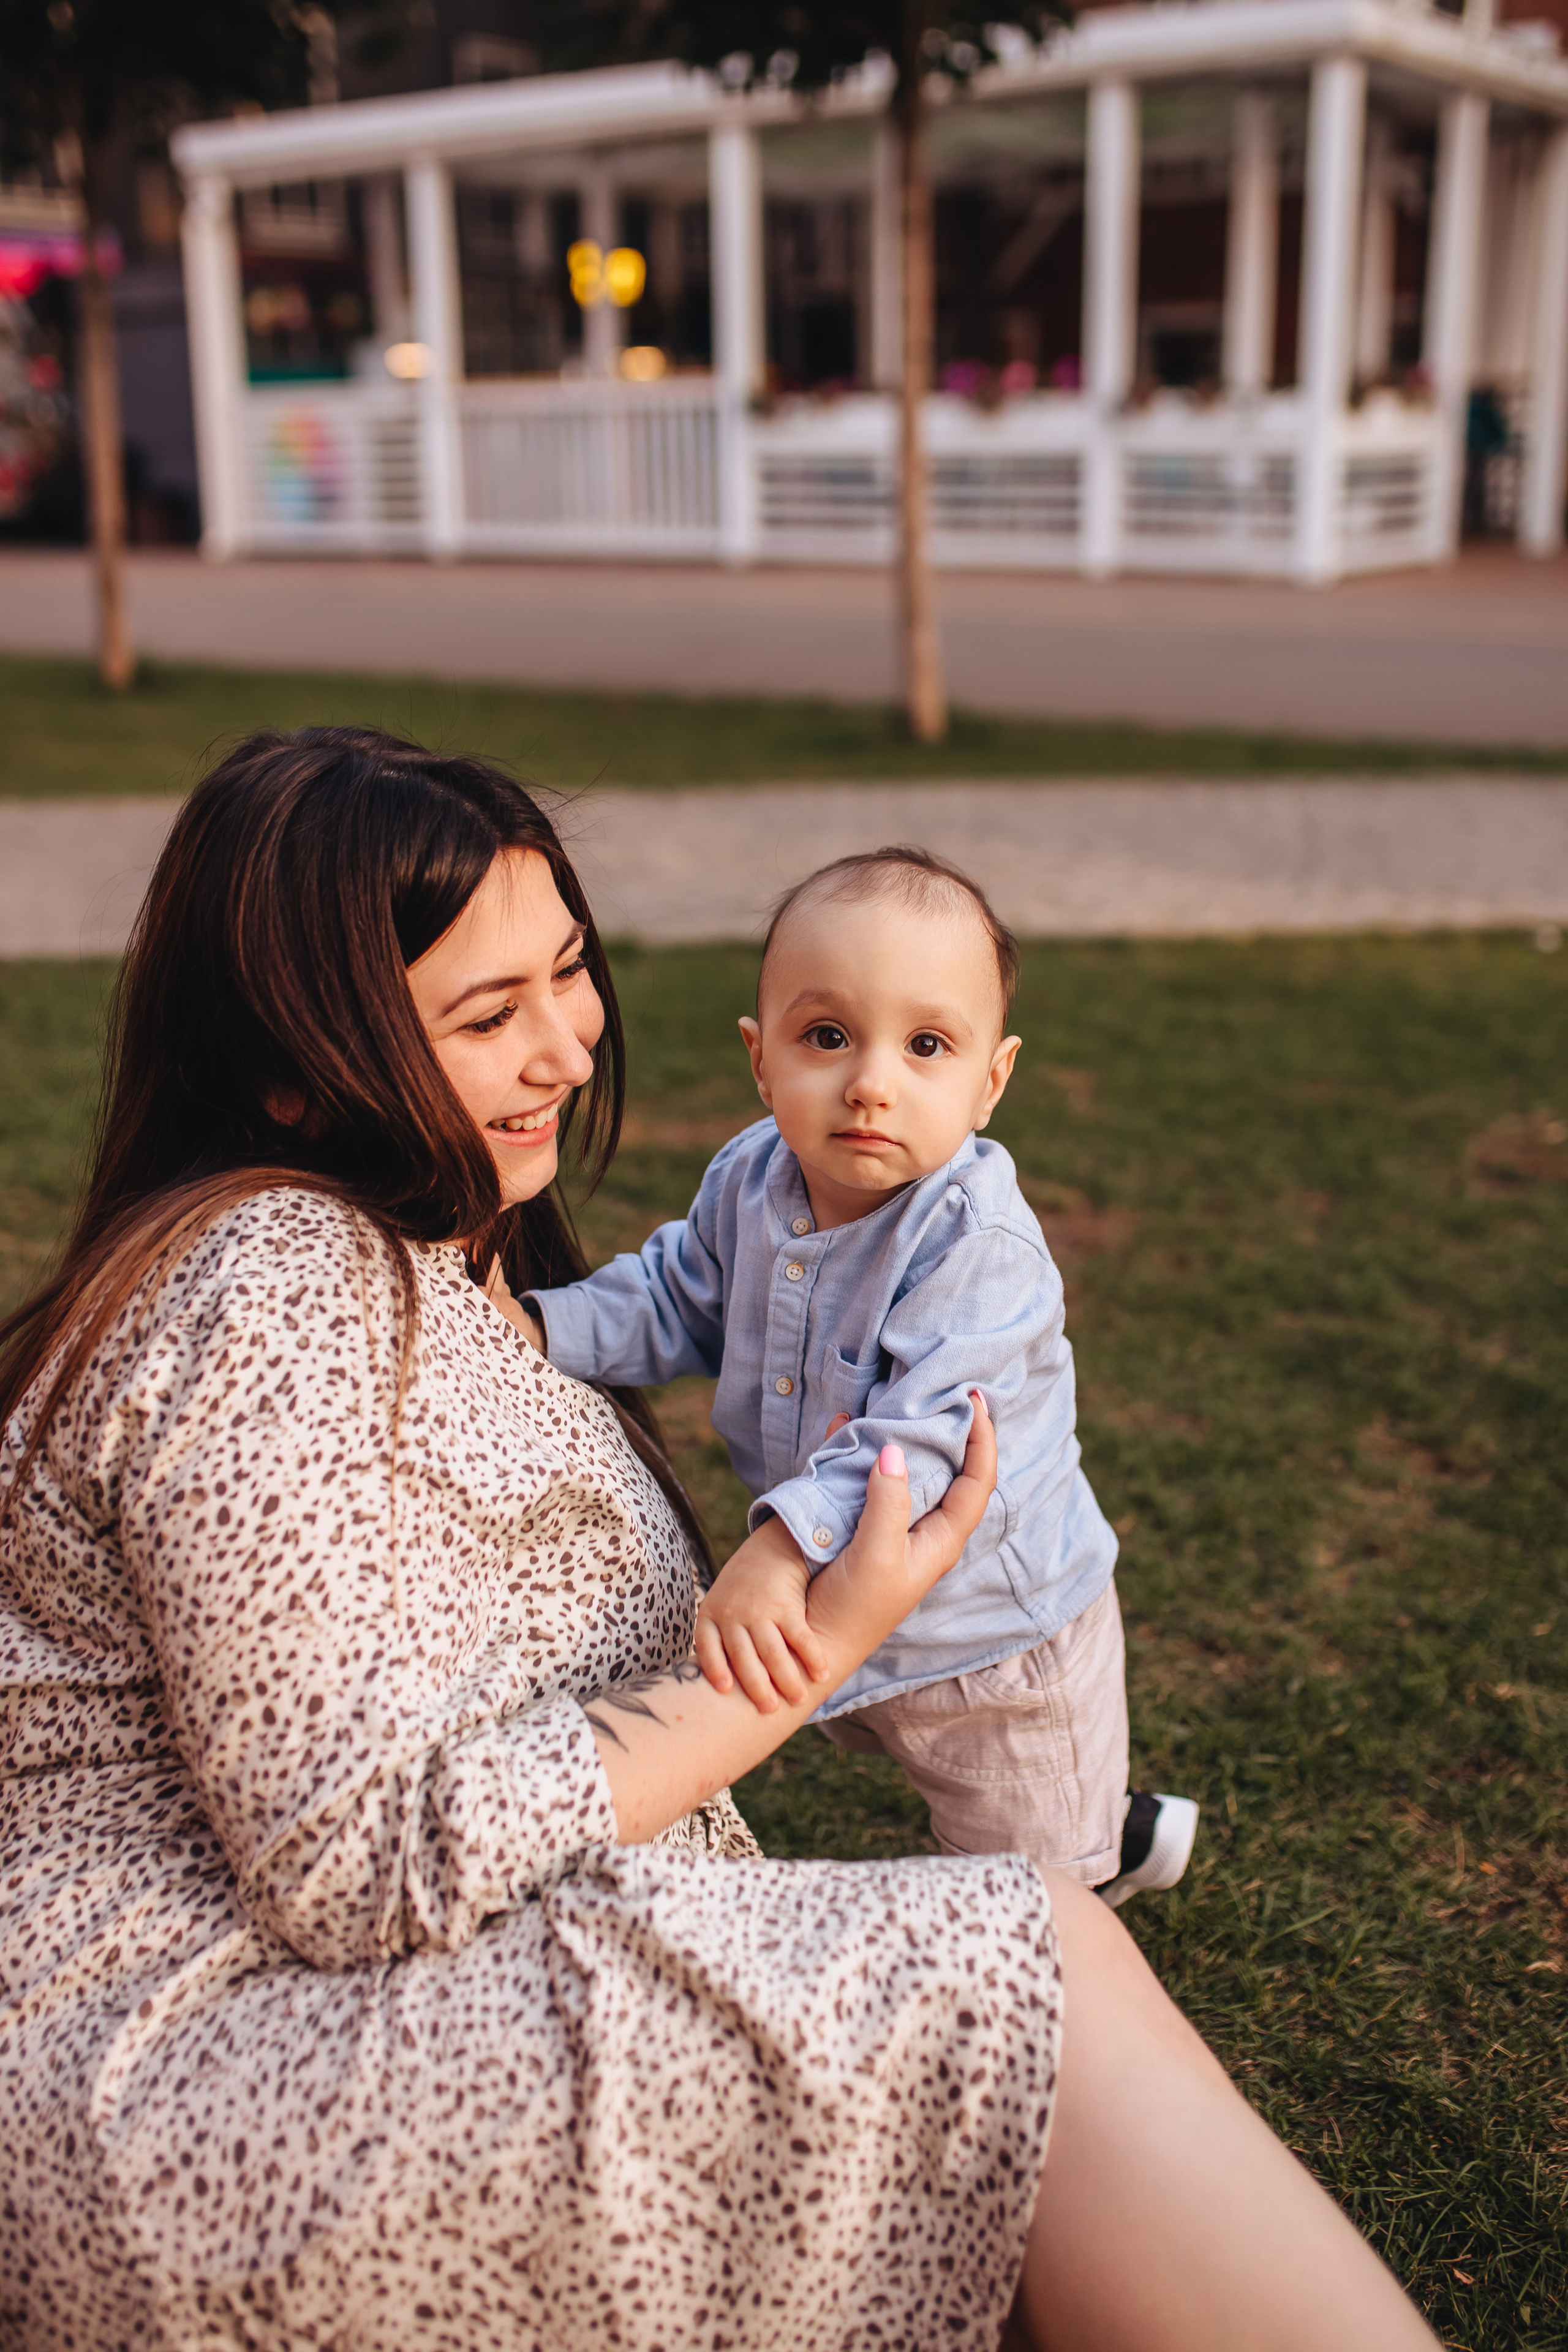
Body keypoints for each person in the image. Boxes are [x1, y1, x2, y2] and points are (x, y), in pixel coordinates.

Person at [0, 726, 1437, 2352]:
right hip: (196, 2081)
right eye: (487, 1014)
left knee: (1044, 1963)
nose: (563, 1048)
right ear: (290, 1069)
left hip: (355, 1986)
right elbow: (357, 1862)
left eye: (566, 973)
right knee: (1038, 1974)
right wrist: (800, 1652)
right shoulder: (270, 1285)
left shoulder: (431, 1249)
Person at [519, 845, 1194, 1904]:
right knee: (935, 1767)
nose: (872, 1083)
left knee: (1026, 1888)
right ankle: (1110, 1820)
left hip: (994, 1646)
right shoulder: (751, 1177)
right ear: (760, 1058)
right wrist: (536, 1328)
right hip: (862, 1620)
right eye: (826, 1037)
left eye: (927, 1045)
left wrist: (785, 1554)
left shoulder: (980, 1249)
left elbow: (922, 1440)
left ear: (992, 1081)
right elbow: (674, 1297)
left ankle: (1101, 1854)